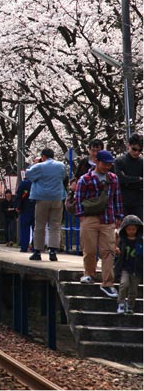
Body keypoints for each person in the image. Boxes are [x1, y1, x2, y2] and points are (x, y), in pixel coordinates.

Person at [74, 150, 124, 298]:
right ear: (97, 162)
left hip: (108, 219)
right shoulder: (85, 179)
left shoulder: (113, 179)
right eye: (105, 164)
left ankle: (108, 283)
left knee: (108, 251)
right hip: (89, 218)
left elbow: (117, 198)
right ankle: (89, 273)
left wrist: (119, 216)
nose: (107, 167)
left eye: (109, 164)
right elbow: (78, 199)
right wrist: (81, 217)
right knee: (89, 249)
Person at [25, 148, 67, 262]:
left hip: (42, 198)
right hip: (57, 198)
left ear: (43, 156)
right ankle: (53, 251)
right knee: (55, 225)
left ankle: (37, 251)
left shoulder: (40, 166)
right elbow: (63, 177)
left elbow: (28, 175)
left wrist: (34, 164)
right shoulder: (61, 166)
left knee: (39, 226)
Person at [115, 215, 142, 314]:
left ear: (137, 229)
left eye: (133, 229)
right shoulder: (123, 241)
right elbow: (119, 254)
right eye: (129, 229)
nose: (131, 231)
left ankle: (130, 305)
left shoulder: (140, 241)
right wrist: (117, 252)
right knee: (124, 284)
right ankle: (121, 303)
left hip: (136, 269)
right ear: (125, 229)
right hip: (125, 267)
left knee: (134, 289)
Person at [114, 133, 143, 220]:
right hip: (123, 201)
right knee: (123, 228)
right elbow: (120, 179)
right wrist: (138, 179)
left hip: (138, 202)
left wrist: (128, 180)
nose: (137, 152)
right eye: (134, 149)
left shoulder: (142, 163)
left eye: (140, 150)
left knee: (139, 229)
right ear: (128, 146)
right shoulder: (119, 161)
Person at [15, 176, 35, 252]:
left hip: (25, 208)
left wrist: (18, 207)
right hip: (36, 208)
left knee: (24, 228)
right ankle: (35, 247)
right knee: (36, 229)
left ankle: (24, 246)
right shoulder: (38, 182)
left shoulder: (23, 183)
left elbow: (19, 195)